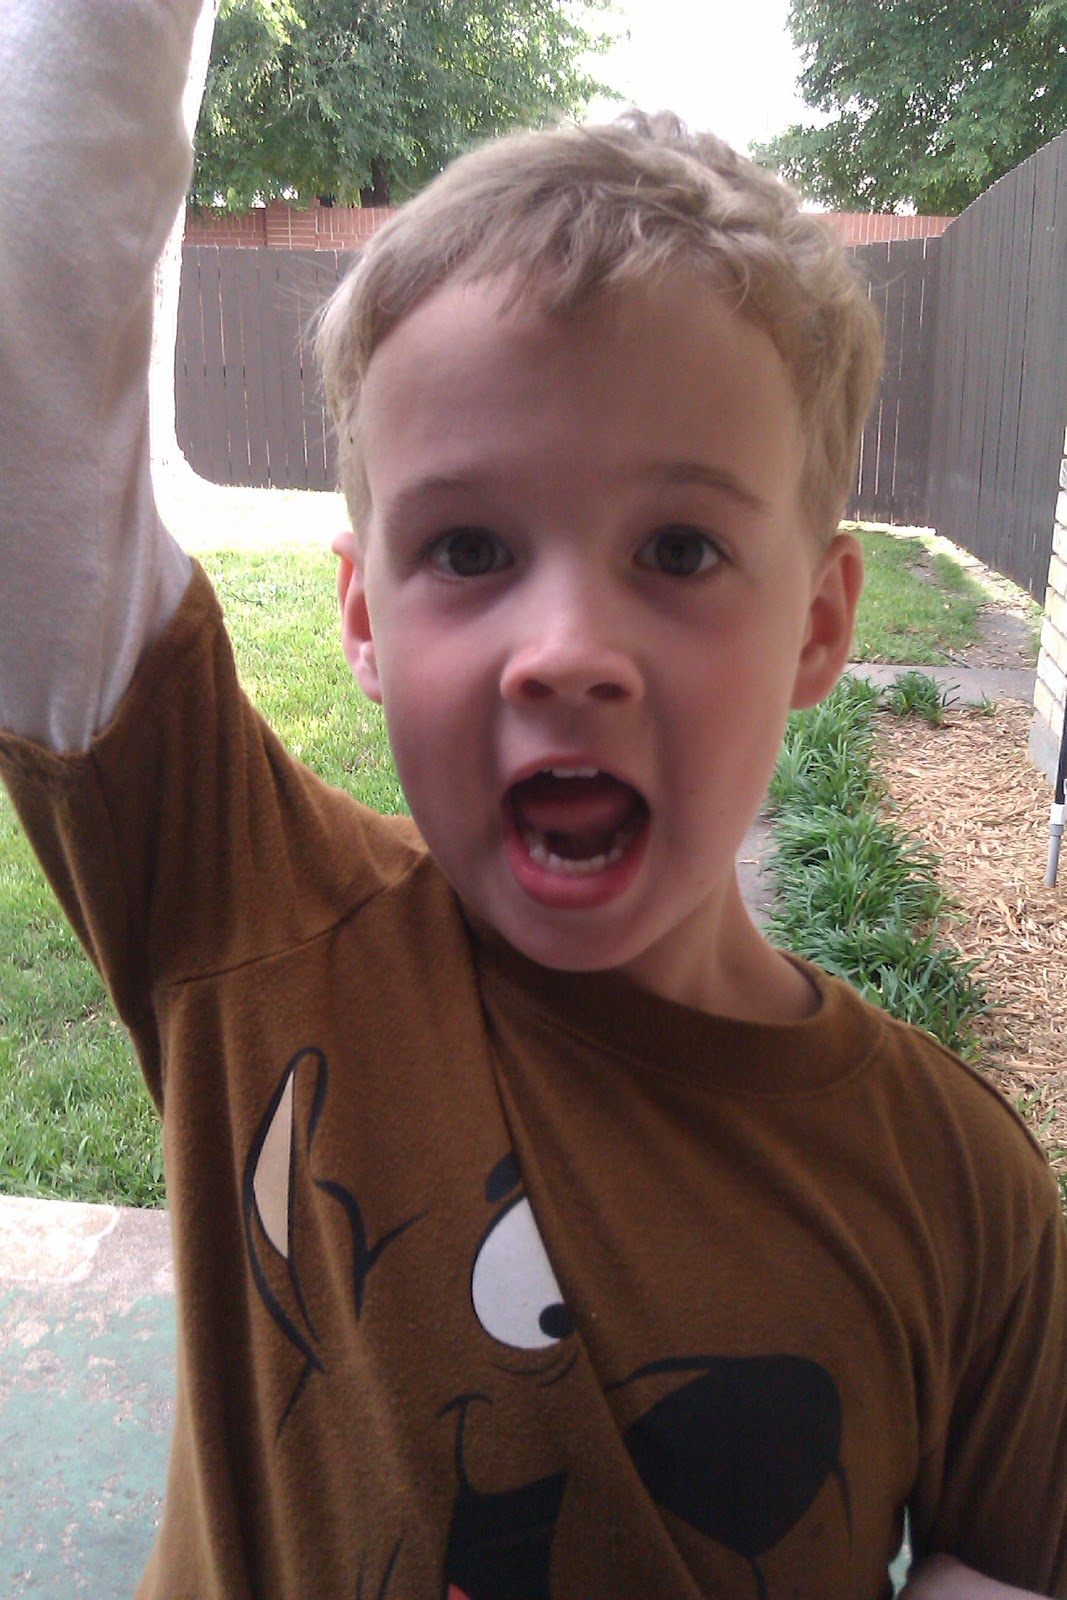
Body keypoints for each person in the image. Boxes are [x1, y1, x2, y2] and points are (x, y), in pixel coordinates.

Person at [0, 2, 1064, 1596]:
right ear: (364, 619)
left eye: (680, 550)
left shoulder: (959, 1191)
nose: (566, 650)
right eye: (470, 549)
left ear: (819, 624)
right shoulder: (248, 919)